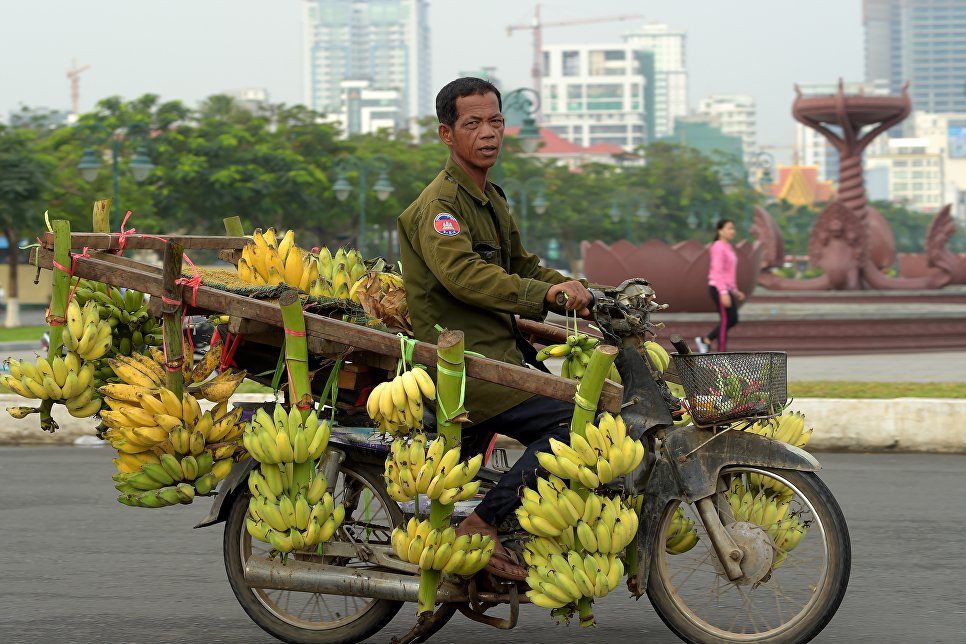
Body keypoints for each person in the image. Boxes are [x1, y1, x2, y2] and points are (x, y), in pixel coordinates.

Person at [397, 77, 593, 580]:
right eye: (473, 124)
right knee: (573, 423)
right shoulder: (440, 207)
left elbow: (522, 265)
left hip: (498, 354)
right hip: (465, 365)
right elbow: (463, 275)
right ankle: (482, 525)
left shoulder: (490, 198)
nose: (489, 133)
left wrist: (577, 288)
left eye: (496, 121)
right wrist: (543, 296)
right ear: (447, 133)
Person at [695, 218, 744, 353]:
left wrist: (734, 290)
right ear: (720, 230)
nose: (732, 231)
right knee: (726, 320)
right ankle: (722, 353)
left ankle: (706, 340)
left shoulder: (728, 247)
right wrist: (723, 292)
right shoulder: (717, 246)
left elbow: (729, 272)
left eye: (733, 228)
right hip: (718, 288)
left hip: (726, 289)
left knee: (732, 319)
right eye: (729, 228)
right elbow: (717, 271)